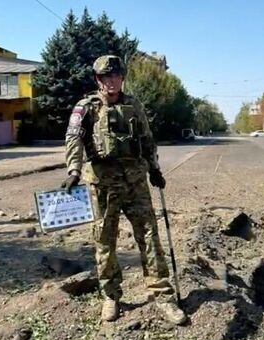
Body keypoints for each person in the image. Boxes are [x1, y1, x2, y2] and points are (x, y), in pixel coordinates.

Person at [61, 55, 187, 325]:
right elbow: (73, 139)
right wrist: (73, 170)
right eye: (106, 77)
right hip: (103, 185)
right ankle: (111, 296)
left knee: (150, 235)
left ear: (122, 78)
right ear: (98, 80)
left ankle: (162, 294)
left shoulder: (134, 105)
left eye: (116, 76)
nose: (112, 81)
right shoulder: (86, 107)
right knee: (105, 240)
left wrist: (154, 169)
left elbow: (146, 138)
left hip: (135, 183)